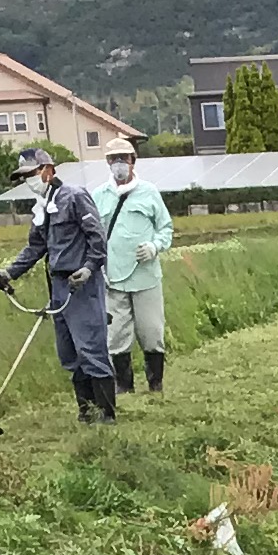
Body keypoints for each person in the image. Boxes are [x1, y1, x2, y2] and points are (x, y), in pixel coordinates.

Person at [0, 145, 116, 423]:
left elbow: (97, 238)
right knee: (70, 353)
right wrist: (9, 273)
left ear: (47, 170)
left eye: (31, 173)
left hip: (82, 285)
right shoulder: (41, 208)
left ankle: (107, 416)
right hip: (58, 288)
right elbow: (35, 248)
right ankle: (86, 413)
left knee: (91, 349)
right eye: (23, 176)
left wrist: (88, 268)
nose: (28, 180)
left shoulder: (74, 197)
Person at [96, 138, 175, 398]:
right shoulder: (98, 196)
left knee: (151, 330)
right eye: (114, 158)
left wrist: (154, 246)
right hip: (112, 277)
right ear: (108, 162)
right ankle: (124, 387)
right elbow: (91, 234)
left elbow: (165, 227)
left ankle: (155, 385)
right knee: (116, 334)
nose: (119, 164)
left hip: (146, 276)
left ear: (133, 161)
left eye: (124, 158)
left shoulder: (149, 192)